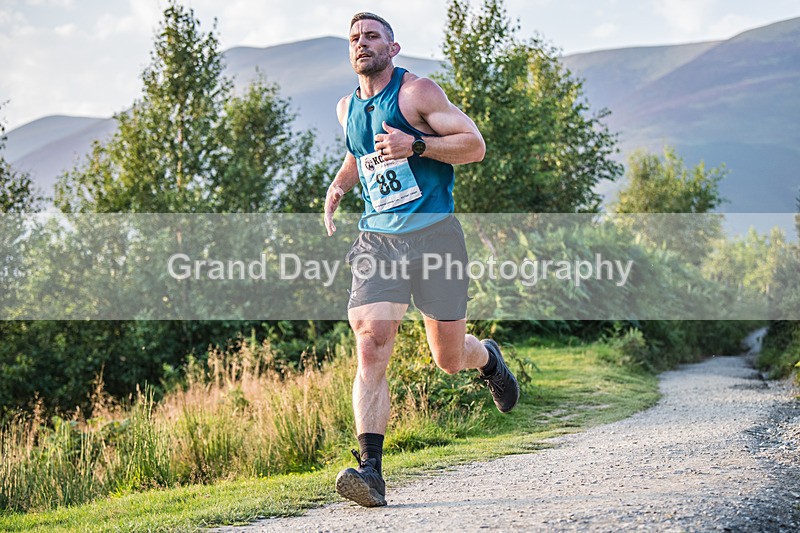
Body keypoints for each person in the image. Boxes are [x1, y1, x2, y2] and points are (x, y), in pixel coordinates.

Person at [323, 12, 520, 508]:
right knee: (371, 344)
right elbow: (359, 154)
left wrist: (417, 145)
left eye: (372, 36)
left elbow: (473, 146)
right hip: (377, 241)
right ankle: (370, 472)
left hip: (435, 237)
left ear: (393, 48)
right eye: (355, 38)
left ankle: (488, 358)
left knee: (448, 360)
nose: (362, 44)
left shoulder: (418, 94)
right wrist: (340, 185)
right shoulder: (347, 107)